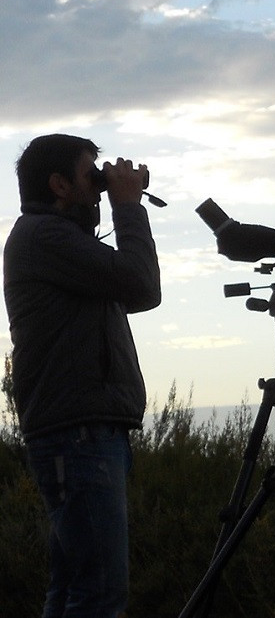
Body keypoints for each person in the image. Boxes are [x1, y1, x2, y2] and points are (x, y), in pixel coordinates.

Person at [5, 134, 161, 618]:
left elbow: (133, 293)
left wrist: (111, 204)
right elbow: (142, 282)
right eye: (90, 174)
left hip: (80, 430)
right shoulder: (45, 237)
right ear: (58, 183)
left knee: (73, 586)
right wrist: (128, 206)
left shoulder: (59, 240)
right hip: (78, 434)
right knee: (98, 594)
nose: (99, 184)